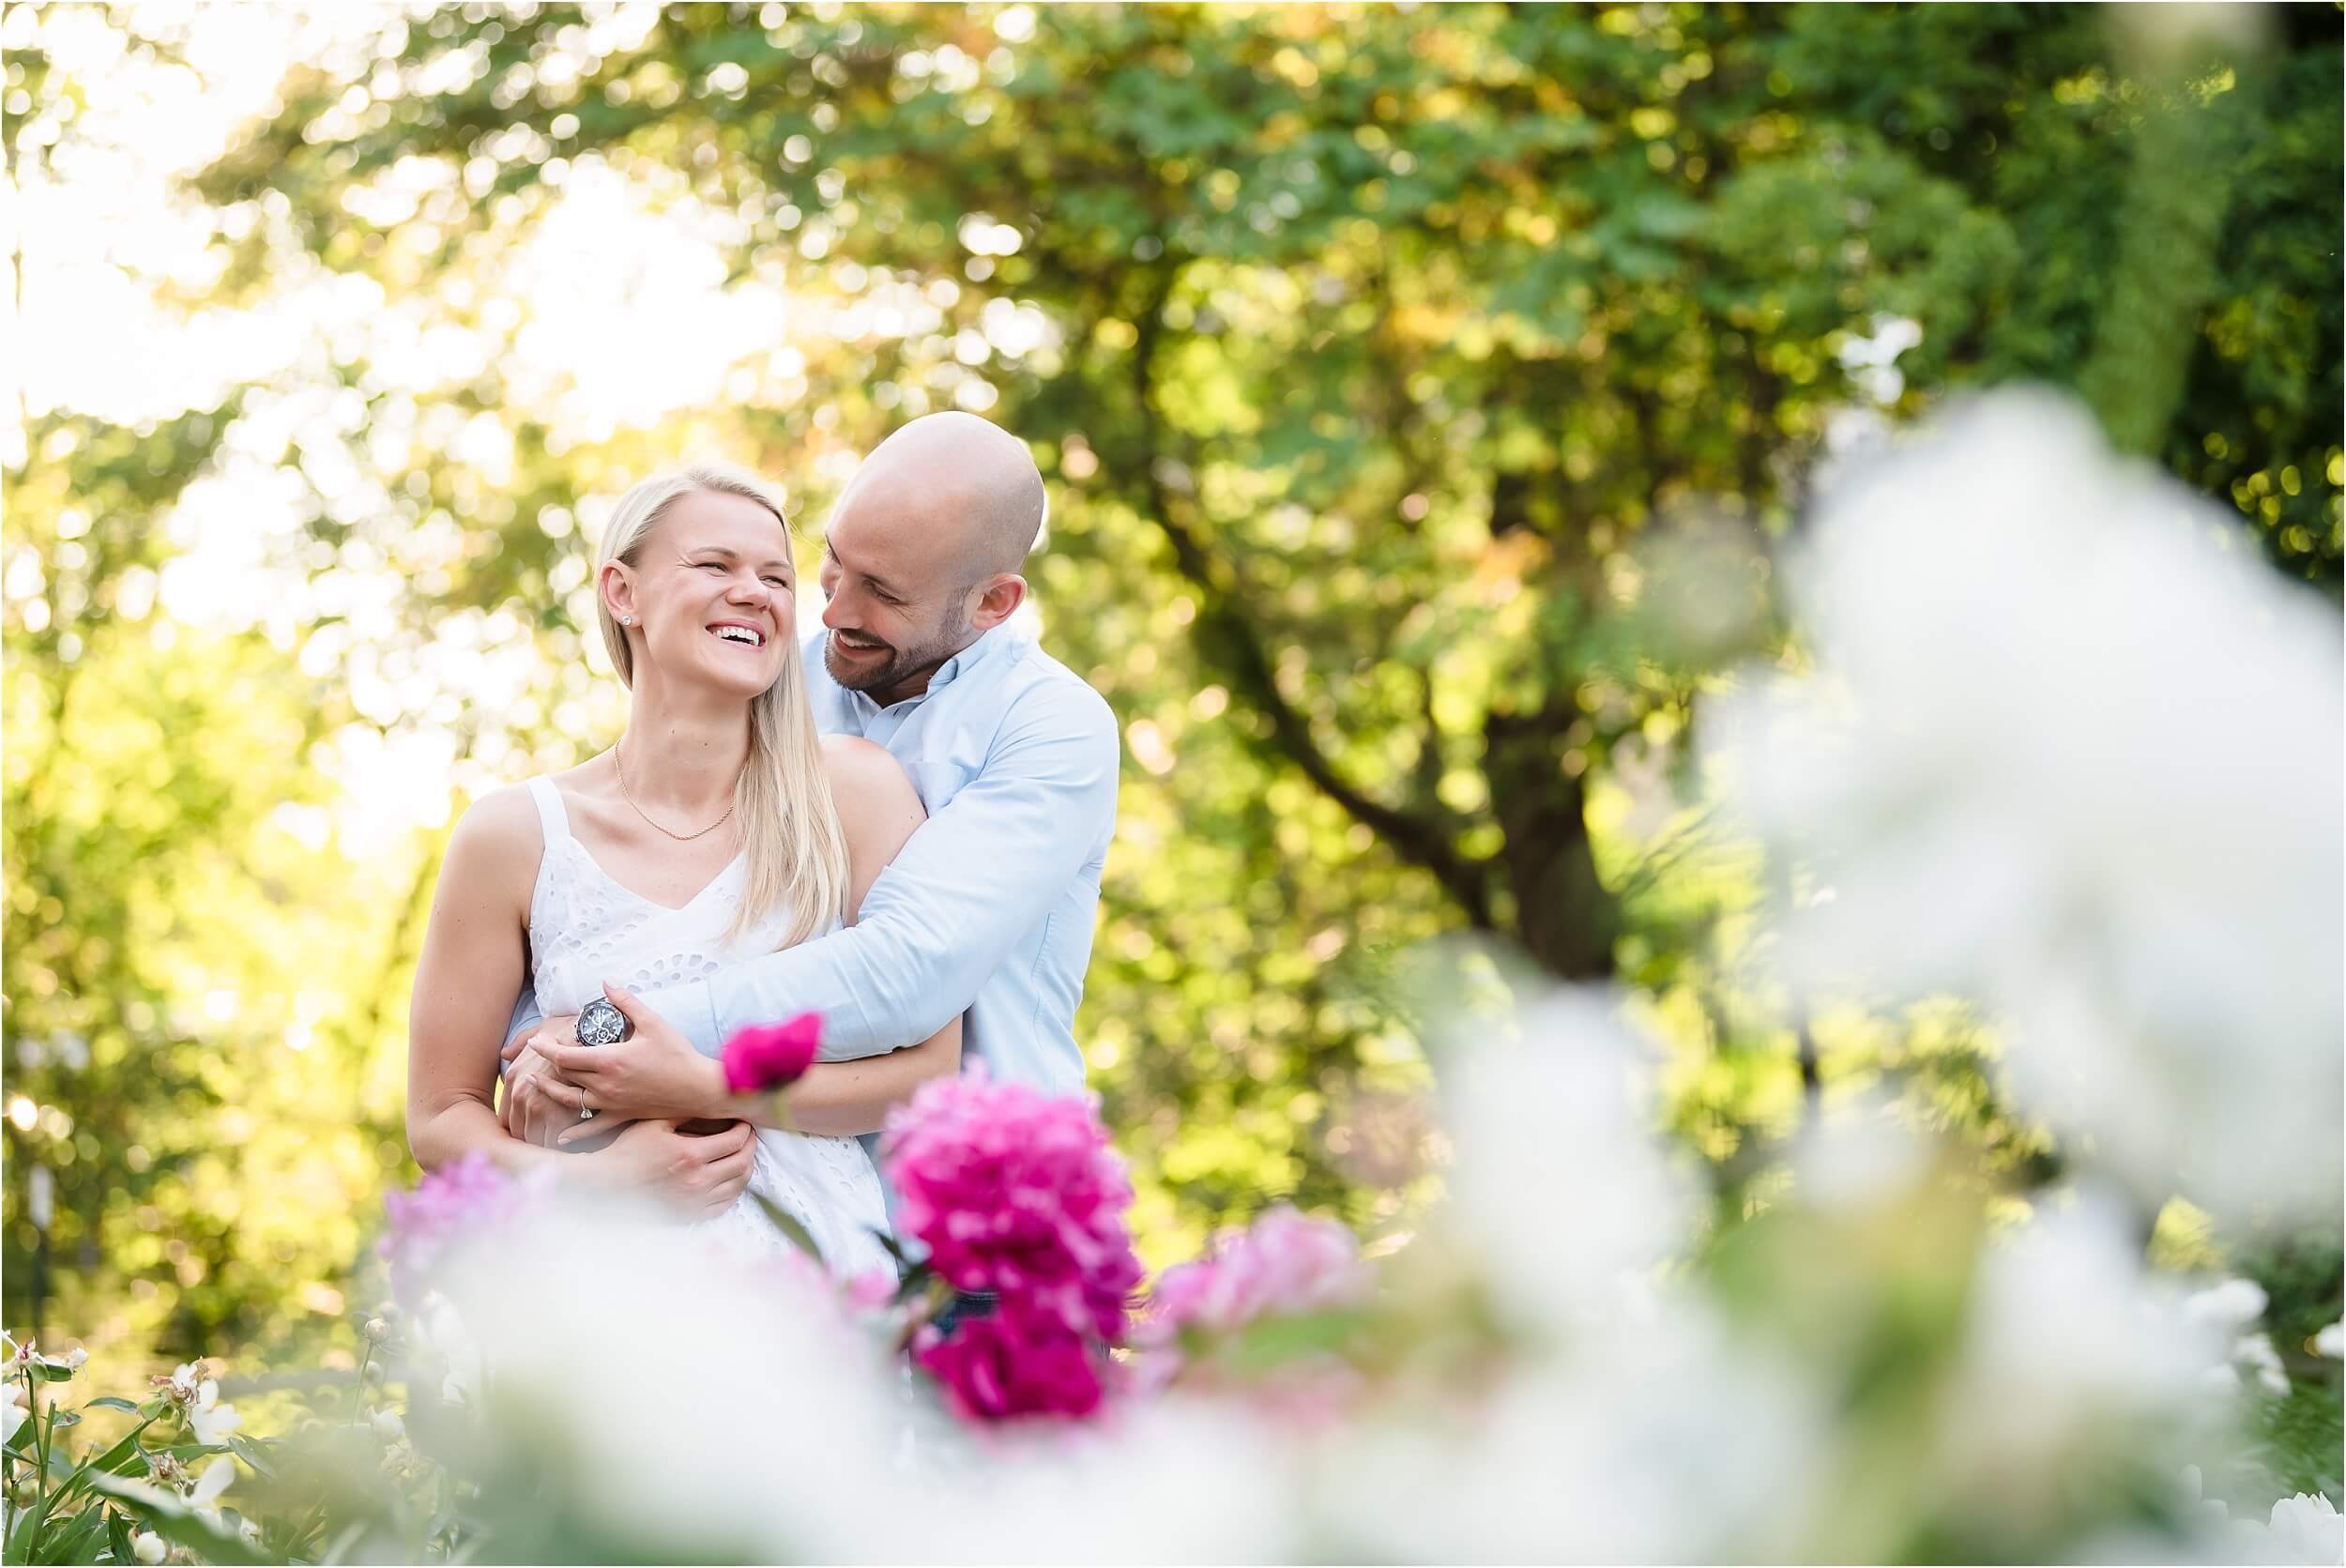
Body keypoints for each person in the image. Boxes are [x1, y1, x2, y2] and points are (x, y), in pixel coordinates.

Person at [500, 413, 1120, 1155]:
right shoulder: (771, 673)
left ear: (994, 603)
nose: (834, 612)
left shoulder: (1051, 727)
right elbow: (629, 887)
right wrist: (537, 1039)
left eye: (884, 594)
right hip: (773, 1202)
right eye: (832, 563)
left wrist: (605, 1032)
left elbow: (906, 969)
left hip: (977, 1213)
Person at [405, 462, 958, 1274]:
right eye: (716, 565)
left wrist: (701, 1086)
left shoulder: (856, 794)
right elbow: (440, 1118)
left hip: (818, 1297)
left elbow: (927, 1071)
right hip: (597, 1297)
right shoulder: (513, 835)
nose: (756, 593)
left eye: (776, 577)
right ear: (622, 592)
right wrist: (597, 1183)